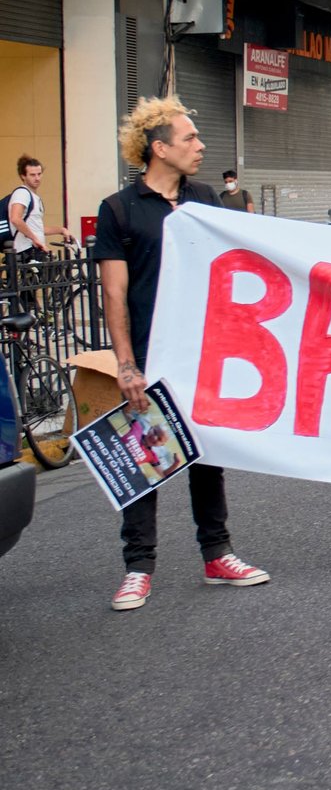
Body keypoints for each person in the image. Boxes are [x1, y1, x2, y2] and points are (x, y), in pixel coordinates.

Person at [95, 95, 270, 612]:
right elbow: (114, 293)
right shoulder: (119, 209)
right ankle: (137, 569)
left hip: (203, 352)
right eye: (189, 138)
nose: (201, 145)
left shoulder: (204, 198)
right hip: (148, 354)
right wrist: (126, 364)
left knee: (206, 455)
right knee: (143, 456)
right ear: (158, 148)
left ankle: (217, 554)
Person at [7, 155, 66, 257]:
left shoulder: (33, 196)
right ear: (23, 176)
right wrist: (34, 239)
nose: (37, 178)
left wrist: (61, 230)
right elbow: (15, 219)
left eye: (39, 174)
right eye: (32, 175)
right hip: (27, 249)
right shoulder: (22, 193)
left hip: (34, 248)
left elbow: (37, 228)